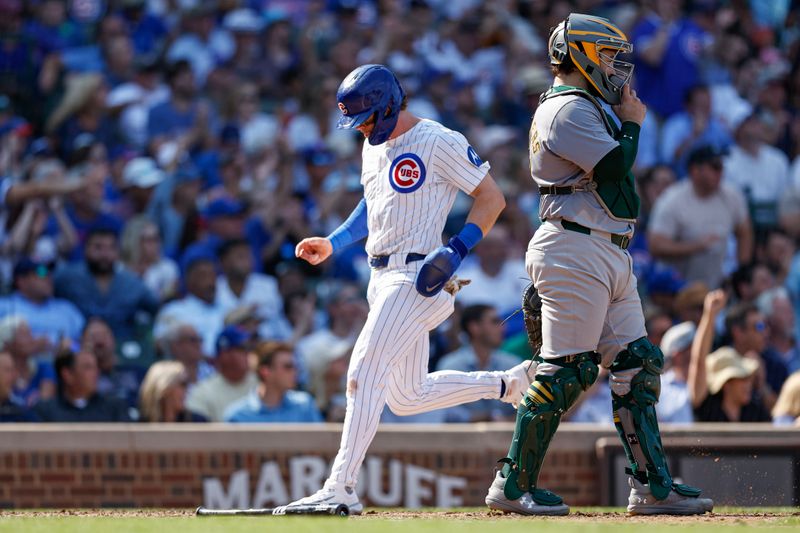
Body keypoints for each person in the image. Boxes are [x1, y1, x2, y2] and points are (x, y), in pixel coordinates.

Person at [281, 64, 534, 515]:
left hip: (420, 275)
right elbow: (373, 203)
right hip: (381, 278)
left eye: (365, 118)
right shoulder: (371, 146)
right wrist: (334, 242)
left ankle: (340, 488)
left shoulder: (439, 139)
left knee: (363, 369)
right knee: (406, 395)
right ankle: (507, 384)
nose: (361, 128)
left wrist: (456, 250)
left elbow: (492, 198)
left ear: (390, 104)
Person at [486, 14, 713, 517]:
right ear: (583, 55)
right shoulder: (565, 108)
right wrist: (633, 122)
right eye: (607, 56)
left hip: (605, 246)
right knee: (567, 372)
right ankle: (512, 483)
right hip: (573, 245)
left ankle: (652, 487)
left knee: (638, 365)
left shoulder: (585, 104)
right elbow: (614, 167)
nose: (614, 67)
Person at [648, 145, 753, 289]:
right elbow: (656, 245)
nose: (721, 172)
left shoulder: (731, 196)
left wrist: (742, 270)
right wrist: (696, 247)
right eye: (715, 167)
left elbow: (744, 231)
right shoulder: (672, 200)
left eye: (721, 167)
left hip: (717, 286)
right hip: (676, 290)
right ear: (695, 171)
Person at [436, 304, 522, 422]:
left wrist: (502, 422)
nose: (503, 327)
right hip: (461, 439)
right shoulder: (450, 365)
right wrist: (487, 420)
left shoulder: (513, 363)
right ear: (474, 327)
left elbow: (526, 406)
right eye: (494, 321)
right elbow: (444, 410)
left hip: (508, 437)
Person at [224, 341, 322, 423]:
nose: (294, 372)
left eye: (295, 366)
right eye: (288, 366)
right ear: (265, 372)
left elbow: (321, 444)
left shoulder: (305, 406)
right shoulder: (238, 416)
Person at [34, 348, 131, 422]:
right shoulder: (45, 412)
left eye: (96, 367)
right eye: (88, 367)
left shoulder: (115, 408)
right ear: (68, 375)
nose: (96, 373)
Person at [184, 326, 257, 421]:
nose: (248, 353)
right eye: (242, 348)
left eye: (249, 348)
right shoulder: (203, 392)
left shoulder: (262, 383)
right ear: (224, 355)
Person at [138, 361, 206, 422]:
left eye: (188, 384)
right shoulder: (139, 426)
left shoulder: (198, 422)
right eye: (183, 384)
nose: (187, 389)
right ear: (164, 388)